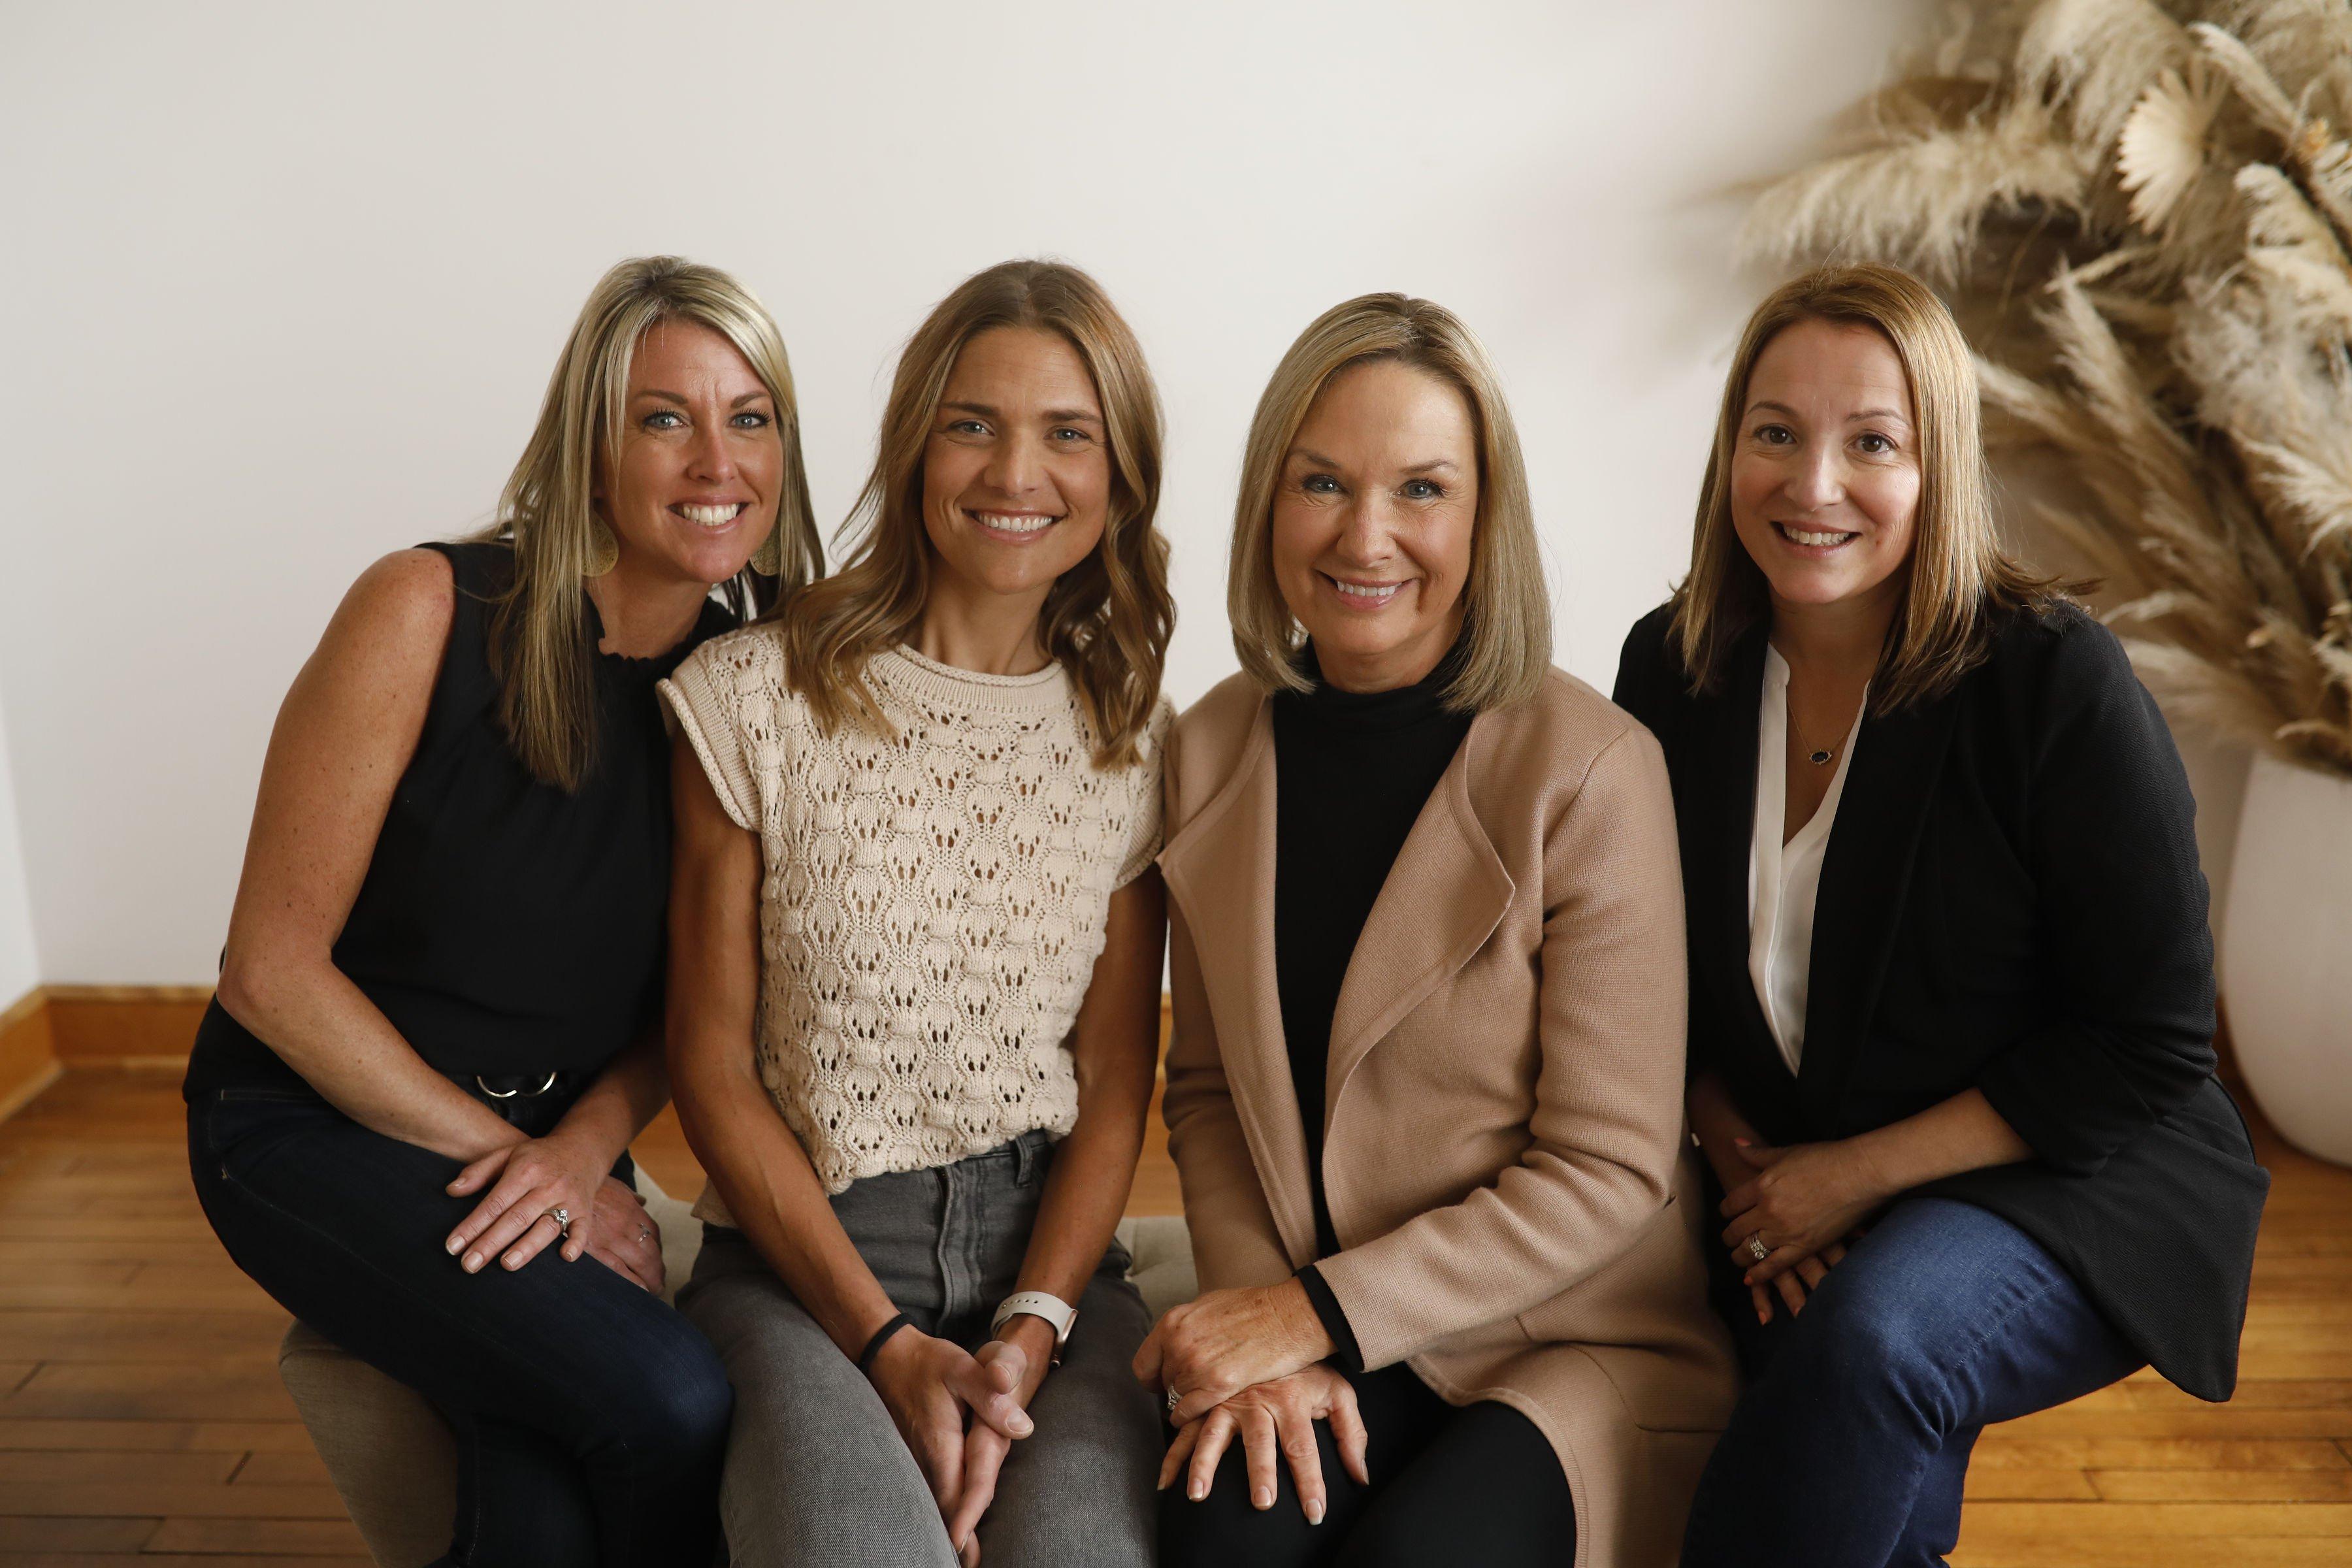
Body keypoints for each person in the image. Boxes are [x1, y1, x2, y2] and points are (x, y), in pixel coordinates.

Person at [1610, 262, 2270, 1568]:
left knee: (1874, 1344)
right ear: (1728, 448)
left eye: (1873, 443)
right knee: (1828, 1410)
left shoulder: (2051, 683)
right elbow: (1622, 956)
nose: (1813, 485)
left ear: (1939, 468)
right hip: (1790, 1168)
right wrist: (1738, 1157)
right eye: (1776, 434)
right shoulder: (1672, 667)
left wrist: (1840, 1187)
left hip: (2071, 1168)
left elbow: (2151, 1040)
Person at [184, 255, 823, 1567]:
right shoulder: (426, 608)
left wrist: (583, 1152)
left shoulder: (761, 674)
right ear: (591, 445)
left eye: (749, 418)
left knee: (543, 1460)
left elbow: (697, 1000)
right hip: (307, 1122)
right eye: (666, 417)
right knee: (669, 1393)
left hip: (543, 1134)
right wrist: (537, 1176)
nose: (717, 459)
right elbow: (271, 975)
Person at [1145, 292, 1738, 1568]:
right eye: (1322, 482)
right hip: (1319, 1314)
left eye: (1422, 489)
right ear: (1267, 502)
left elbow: (1610, 1169)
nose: (1368, 534)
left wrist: (1315, 1313)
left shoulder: (1591, 773)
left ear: (1483, 519)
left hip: (1563, 1336)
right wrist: (1260, 1327)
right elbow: (1202, 1091)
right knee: (1215, 1548)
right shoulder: (1205, 750)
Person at [661, 259, 1174, 1568]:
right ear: (913, 449)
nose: (1017, 474)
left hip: (1046, 1275)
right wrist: (887, 1347)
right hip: (801, 1272)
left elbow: (1116, 1076)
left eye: (1068, 433)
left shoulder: (1133, 738)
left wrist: (1033, 1326)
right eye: (973, 425)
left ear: (1117, 474)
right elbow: (712, 1066)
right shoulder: (755, 696)